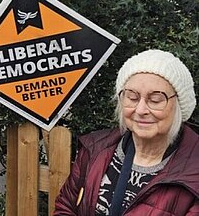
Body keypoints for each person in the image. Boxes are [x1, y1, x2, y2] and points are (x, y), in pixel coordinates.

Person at [54, 49, 198, 215]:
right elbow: (66, 207)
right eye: (132, 97)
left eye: (156, 100)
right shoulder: (94, 150)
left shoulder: (193, 172)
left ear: (179, 105)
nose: (141, 109)